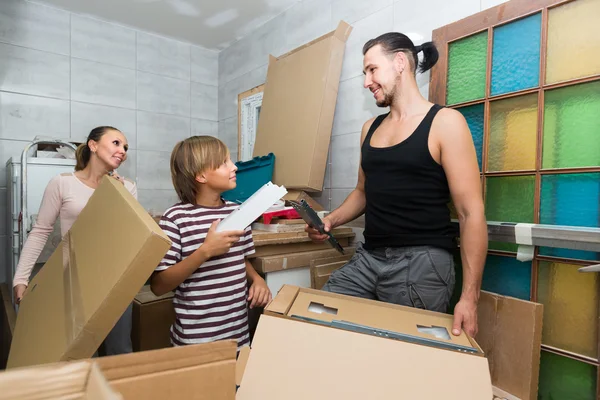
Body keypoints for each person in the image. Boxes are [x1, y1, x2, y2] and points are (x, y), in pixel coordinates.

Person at [307, 33, 487, 337]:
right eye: (365, 73)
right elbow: (363, 192)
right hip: (370, 256)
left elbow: (471, 214)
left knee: (408, 356)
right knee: (322, 319)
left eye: (372, 69)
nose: (367, 82)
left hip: (423, 260)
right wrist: (330, 221)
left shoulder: (445, 122)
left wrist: (470, 297)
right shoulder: (370, 128)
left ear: (400, 62)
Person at [13, 126, 137, 355]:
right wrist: (20, 278)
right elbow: (41, 231)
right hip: (73, 283)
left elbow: (128, 238)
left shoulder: (127, 187)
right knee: (78, 354)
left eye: (126, 147)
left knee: (119, 351)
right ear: (93, 145)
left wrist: (117, 198)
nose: (123, 151)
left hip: (116, 280)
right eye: (117, 143)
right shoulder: (62, 183)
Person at [150, 136, 271, 349]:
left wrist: (257, 280)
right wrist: (205, 251)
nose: (234, 166)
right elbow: (159, 286)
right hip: (196, 342)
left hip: (238, 337)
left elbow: (238, 258)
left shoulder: (237, 211)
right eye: (224, 162)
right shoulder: (175, 218)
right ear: (201, 175)